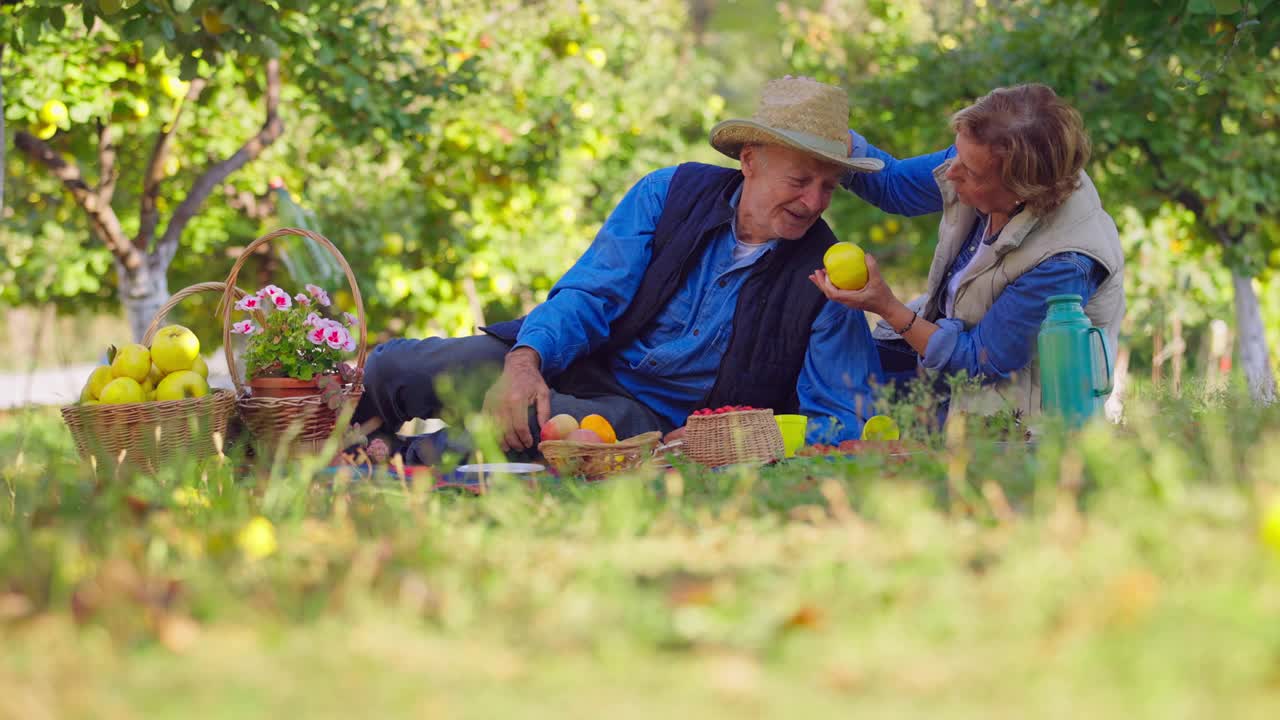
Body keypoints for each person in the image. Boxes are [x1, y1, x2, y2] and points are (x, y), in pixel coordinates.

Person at [353, 77, 886, 461]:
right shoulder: (668, 193)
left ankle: (389, 464)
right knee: (394, 368)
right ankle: (330, 443)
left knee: (539, 427)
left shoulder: (828, 283)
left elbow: (843, 418)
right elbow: (589, 296)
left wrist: (716, 443)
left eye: (828, 186)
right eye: (800, 180)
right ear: (750, 160)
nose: (814, 201)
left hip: (652, 423)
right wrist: (524, 362)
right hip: (580, 364)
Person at [810, 83, 1125, 419]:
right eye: (956, 153)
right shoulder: (981, 158)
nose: (951, 172)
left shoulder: (1064, 261)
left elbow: (977, 363)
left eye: (970, 171)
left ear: (1020, 191)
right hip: (941, 371)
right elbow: (894, 185)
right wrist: (826, 135)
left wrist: (886, 306)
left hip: (1011, 425)